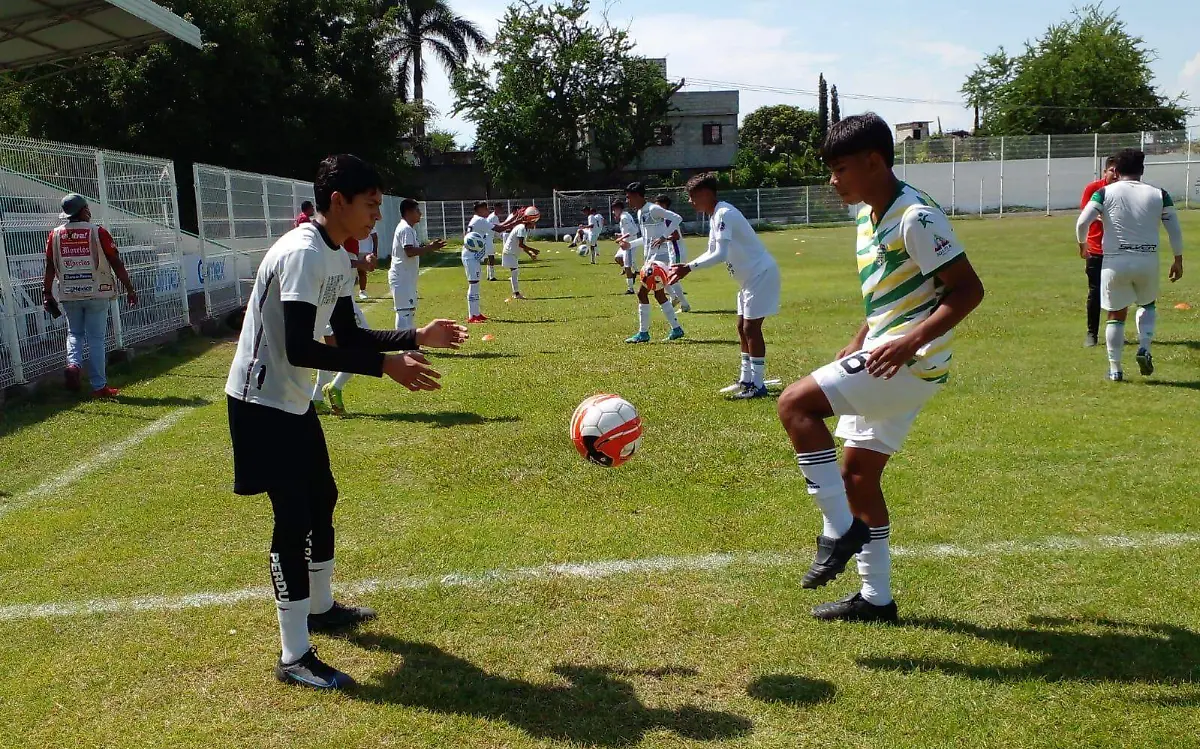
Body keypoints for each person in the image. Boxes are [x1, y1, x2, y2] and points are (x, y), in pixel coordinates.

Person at [225, 154, 468, 690]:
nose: (376, 217)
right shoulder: (303, 254)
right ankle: (294, 657)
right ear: (338, 201)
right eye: (371, 204)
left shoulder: (335, 256)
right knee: (292, 516)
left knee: (323, 496)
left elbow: (348, 337)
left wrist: (416, 336)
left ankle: (321, 607)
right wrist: (384, 367)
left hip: (290, 401)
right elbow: (299, 347)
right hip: (260, 403)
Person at [776, 114, 985, 623]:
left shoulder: (915, 217)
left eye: (841, 168)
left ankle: (838, 530)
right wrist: (857, 340)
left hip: (906, 363)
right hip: (889, 354)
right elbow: (891, 298)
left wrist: (909, 341)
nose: (833, 180)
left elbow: (968, 290)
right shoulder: (868, 214)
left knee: (794, 404)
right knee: (858, 474)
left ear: (874, 162)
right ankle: (877, 599)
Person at [1074, 148, 1184, 381]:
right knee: (1148, 304)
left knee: (1116, 313)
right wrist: (1178, 258)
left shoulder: (1104, 192)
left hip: (1115, 261)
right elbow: (1174, 228)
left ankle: (1115, 369)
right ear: (1142, 170)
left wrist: (1083, 244)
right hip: (1147, 260)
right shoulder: (1159, 194)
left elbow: (1083, 221)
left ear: (1117, 170)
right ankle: (1144, 347)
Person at [670, 175, 780, 398]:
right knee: (742, 327)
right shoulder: (715, 216)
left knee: (751, 329)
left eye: (694, 197)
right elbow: (712, 251)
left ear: (707, 194)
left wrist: (689, 268)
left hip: (761, 274)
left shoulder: (724, 213)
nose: (691, 202)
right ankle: (746, 379)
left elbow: (720, 255)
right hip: (749, 279)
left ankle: (757, 385)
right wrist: (688, 266)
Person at [41, 193, 138, 398]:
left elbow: (50, 266)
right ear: (84, 210)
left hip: (69, 292)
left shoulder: (54, 235)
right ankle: (99, 386)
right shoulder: (98, 232)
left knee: (74, 333)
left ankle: (74, 365)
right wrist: (129, 288)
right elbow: (116, 263)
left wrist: (47, 292)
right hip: (97, 291)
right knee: (96, 339)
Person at [310, 234, 378, 415]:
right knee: (365, 344)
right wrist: (360, 263)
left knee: (332, 351)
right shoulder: (333, 232)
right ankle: (334, 387)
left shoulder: (341, 234)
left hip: (335, 297)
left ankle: (317, 398)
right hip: (335, 300)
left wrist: (362, 259)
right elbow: (332, 263)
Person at [619, 182, 684, 343]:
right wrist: (630, 245)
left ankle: (643, 333)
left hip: (659, 259)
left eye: (629, 197)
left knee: (642, 293)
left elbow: (677, 218)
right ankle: (676, 329)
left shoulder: (653, 209)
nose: (628, 201)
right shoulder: (641, 212)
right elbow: (647, 239)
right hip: (651, 258)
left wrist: (663, 237)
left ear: (637, 195)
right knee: (659, 294)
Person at [389, 199, 446, 329]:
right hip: (401, 276)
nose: (420, 214)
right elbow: (409, 251)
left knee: (408, 311)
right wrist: (430, 248)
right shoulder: (405, 229)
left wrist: (429, 247)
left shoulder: (409, 229)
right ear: (408, 212)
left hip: (406, 277)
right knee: (404, 312)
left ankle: (409, 344)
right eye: (417, 211)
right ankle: (404, 346)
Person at [1079, 157, 1118, 347]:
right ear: (1104, 172)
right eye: (1111, 170)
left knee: (1118, 293)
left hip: (1119, 250)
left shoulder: (1124, 191)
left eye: (1118, 171)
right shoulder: (1093, 189)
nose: (1115, 174)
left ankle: (1115, 332)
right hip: (1096, 249)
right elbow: (1086, 216)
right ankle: (1091, 334)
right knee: (1095, 292)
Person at [464, 202, 523, 322]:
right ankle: (472, 316)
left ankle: (476, 313)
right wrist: (517, 221)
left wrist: (515, 218)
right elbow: (500, 228)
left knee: (475, 285)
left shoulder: (478, 220)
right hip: (470, 256)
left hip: (473, 255)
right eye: (485, 209)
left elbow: (499, 225)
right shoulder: (479, 220)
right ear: (480, 209)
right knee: (473, 284)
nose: (487, 211)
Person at [655, 194, 691, 312]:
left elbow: (675, 236)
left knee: (672, 277)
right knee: (666, 275)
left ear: (664, 205)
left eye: (658, 205)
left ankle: (684, 304)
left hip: (677, 251)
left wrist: (662, 239)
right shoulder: (665, 218)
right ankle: (675, 298)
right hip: (673, 251)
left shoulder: (668, 218)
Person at [502, 207, 541, 299]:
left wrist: (530, 253)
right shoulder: (521, 228)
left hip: (512, 253)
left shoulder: (523, 228)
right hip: (510, 252)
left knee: (514, 272)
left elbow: (521, 245)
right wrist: (533, 250)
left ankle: (516, 292)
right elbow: (521, 244)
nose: (534, 224)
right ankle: (516, 293)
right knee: (514, 272)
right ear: (530, 221)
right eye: (534, 222)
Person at [611, 199, 638, 294]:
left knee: (627, 266)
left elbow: (630, 232)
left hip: (629, 244)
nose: (613, 212)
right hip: (625, 242)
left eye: (614, 210)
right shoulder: (625, 215)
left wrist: (620, 238)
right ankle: (634, 272)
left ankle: (630, 289)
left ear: (618, 209)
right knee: (618, 258)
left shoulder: (624, 218)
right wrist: (620, 235)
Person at [355, 224, 379, 300]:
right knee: (350, 273)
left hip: (365, 250)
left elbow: (374, 236)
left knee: (362, 272)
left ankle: (362, 291)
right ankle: (348, 292)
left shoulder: (367, 222)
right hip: (353, 250)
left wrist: (374, 251)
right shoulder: (351, 221)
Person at [484, 204, 502, 281]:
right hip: (488, 238)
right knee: (491, 257)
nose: (500, 210)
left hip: (488, 238)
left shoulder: (493, 216)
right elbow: (498, 229)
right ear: (495, 208)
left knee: (489, 257)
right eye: (499, 208)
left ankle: (489, 275)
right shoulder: (494, 217)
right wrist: (501, 237)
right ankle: (491, 276)